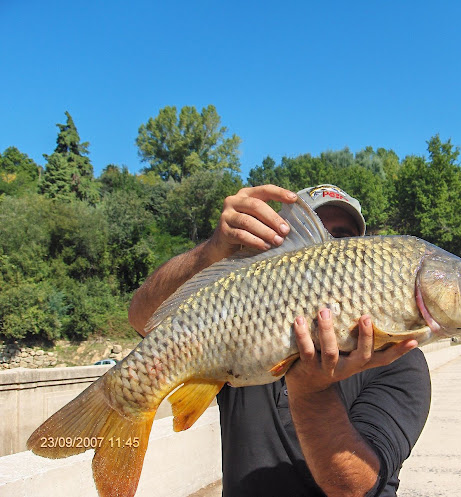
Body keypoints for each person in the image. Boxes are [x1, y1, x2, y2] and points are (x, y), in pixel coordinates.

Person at [128, 184, 431, 497]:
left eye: (341, 240)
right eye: (311, 237)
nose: (325, 253)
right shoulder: (245, 319)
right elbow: (142, 318)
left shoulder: (401, 359)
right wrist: (213, 250)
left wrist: (311, 389)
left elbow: (354, 488)